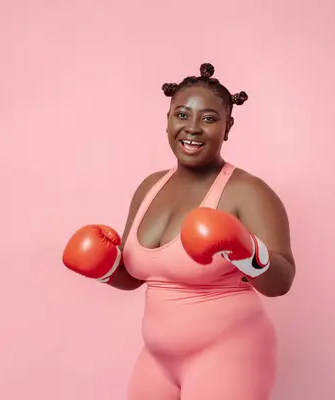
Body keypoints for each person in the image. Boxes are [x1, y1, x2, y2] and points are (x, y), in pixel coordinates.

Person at [62, 63, 296, 399]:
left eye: (209, 118)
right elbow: (135, 275)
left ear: (228, 126)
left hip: (230, 353)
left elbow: (282, 281)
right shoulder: (149, 187)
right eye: (182, 115)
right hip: (158, 358)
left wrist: (246, 249)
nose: (193, 128)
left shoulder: (248, 192)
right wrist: (105, 268)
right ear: (169, 120)